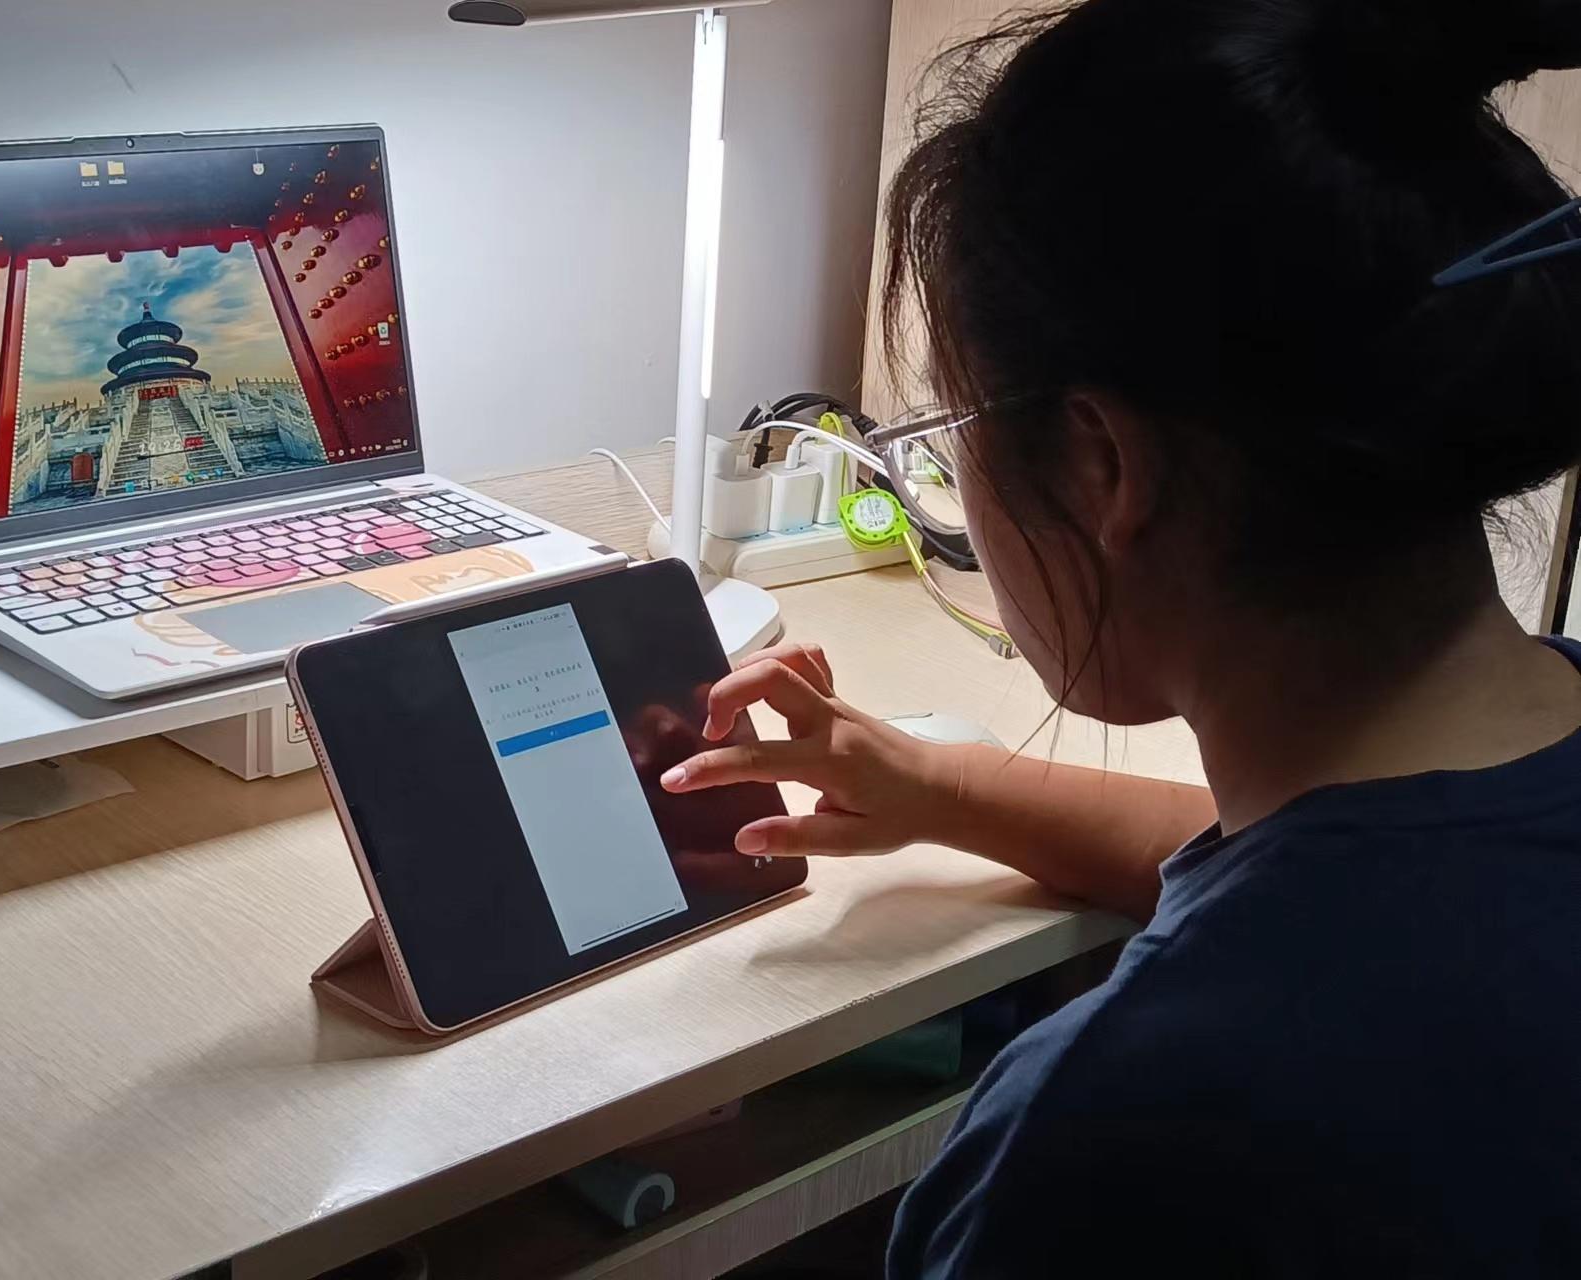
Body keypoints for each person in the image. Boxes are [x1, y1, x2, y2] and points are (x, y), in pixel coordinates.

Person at [661, 0, 1581, 1273]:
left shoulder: (1119, 1128)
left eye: (948, 431)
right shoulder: (1511, 777)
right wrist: (941, 783)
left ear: (1101, 466)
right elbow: (1343, 875)